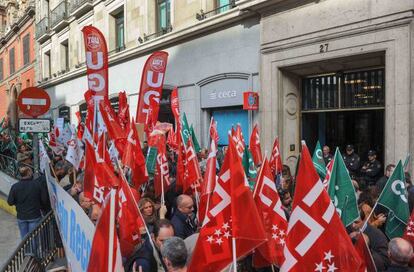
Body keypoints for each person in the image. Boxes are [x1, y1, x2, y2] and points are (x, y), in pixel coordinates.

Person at [7, 166, 46, 239]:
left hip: (21, 216)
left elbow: (10, 202)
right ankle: (33, 250)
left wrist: (18, 203)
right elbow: (43, 200)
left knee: (24, 239)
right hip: (35, 215)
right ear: (29, 174)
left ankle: (26, 250)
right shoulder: (37, 185)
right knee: (34, 238)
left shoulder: (15, 187)